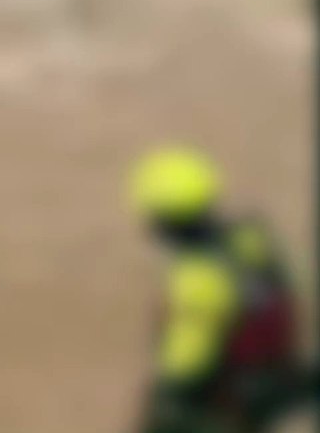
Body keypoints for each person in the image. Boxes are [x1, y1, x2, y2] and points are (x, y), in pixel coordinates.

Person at [129, 146, 306, 433]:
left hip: (232, 397)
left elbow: (185, 367)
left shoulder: (196, 278)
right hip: (276, 376)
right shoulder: (250, 238)